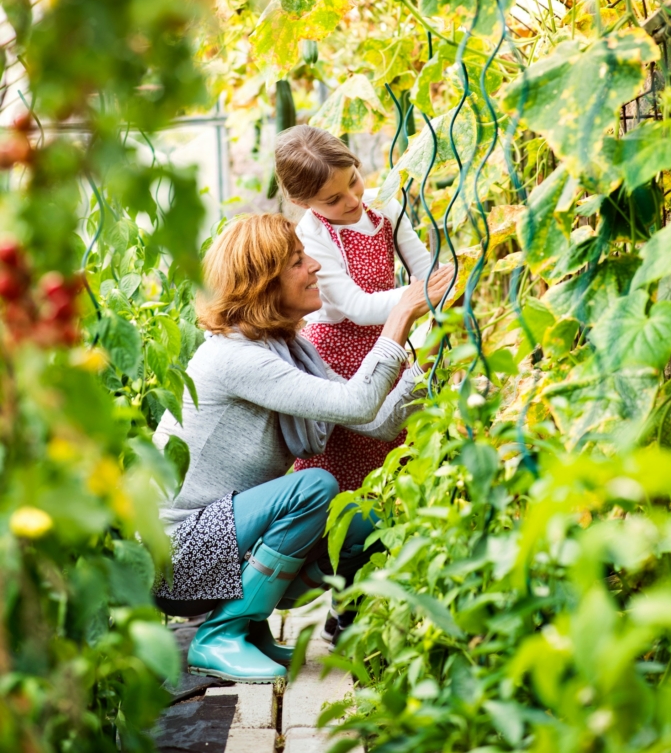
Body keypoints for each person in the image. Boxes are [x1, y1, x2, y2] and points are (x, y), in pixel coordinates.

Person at [152, 213, 451, 684]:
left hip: (218, 542)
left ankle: (249, 626)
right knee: (314, 488)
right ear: (263, 283)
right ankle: (220, 635)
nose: (314, 266)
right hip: (176, 556)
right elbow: (355, 402)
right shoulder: (234, 356)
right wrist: (399, 318)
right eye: (297, 261)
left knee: (361, 523)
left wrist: (427, 361)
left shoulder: (289, 348)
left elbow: (372, 421)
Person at [274, 125, 438, 493]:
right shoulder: (311, 236)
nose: (351, 200)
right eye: (332, 199)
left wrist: (433, 287)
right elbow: (358, 308)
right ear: (304, 203)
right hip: (338, 353)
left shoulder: (384, 204)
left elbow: (424, 269)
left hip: (388, 340)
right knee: (349, 457)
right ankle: (346, 544)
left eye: (354, 180)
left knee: (396, 445)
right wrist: (422, 295)